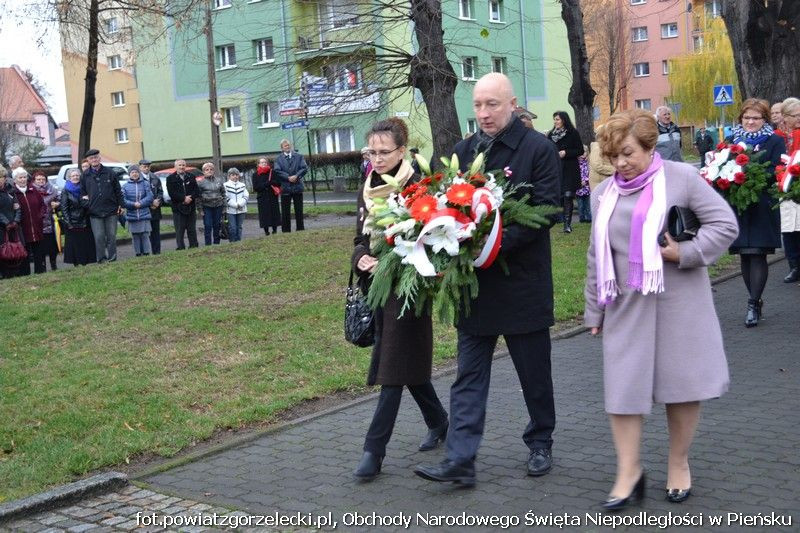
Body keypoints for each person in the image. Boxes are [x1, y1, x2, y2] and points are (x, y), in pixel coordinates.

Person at [585, 109, 738, 510]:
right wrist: (593, 311)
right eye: (613, 155)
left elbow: (724, 225)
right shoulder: (603, 194)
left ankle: (678, 463)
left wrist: (683, 252)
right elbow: (594, 256)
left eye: (628, 153)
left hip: (679, 301)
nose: (620, 163)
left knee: (682, 387)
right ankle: (628, 472)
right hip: (624, 305)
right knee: (622, 390)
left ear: (650, 146)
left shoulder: (681, 178)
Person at [414, 73, 560, 486]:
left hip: (522, 284)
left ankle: (540, 442)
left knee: (534, 374)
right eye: (478, 105)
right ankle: (460, 459)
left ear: (512, 103)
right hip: (474, 289)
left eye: (492, 105)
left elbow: (548, 210)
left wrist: (494, 245)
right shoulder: (464, 150)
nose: (483, 113)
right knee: (468, 377)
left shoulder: (538, 149)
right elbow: (447, 205)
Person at [352, 117, 448, 481]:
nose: (375, 159)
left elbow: (431, 238)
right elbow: (359, 237)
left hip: (409, 288)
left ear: (402, 151)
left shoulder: (417, 186)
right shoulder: (368, 186)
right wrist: (361, 256)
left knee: (391, 368)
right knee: (404, 362)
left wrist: (391, 257)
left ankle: (373, 451)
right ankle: (439, 421)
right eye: (370, 152)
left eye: (383, 152)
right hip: (377, 287)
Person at [726, 98, 785, 327]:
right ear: (741, 118)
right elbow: (721, 164)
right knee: (744, 253)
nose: (751, 122)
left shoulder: (774, 140)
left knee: (758, 252)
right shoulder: (731, 139)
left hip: (761, 202)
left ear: (764, 119)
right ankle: (754, 301)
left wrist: (751, 172)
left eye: (756, 118)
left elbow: (777, 168)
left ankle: (753, 302)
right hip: (738, 204)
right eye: (747, 117)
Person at [80, 148, 124, 263]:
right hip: (94, 212)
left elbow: (118, 190)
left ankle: (112, 258)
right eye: (91, 158)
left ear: (99, 158)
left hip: (111, 210)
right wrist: (88, 204)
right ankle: (102, 259)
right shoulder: (85, 175)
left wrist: (121, 205)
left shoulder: (110, 172)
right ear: (88, 161)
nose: (94, 160)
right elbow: (82, 194)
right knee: (99, 237)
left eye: (95, 157)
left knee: (111, 237)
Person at [548, 111, 584, 233]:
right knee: (561, 196)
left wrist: (566, 152)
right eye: (554, 119)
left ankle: (567, 225)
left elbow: (580, 150)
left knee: (568, 196)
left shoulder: (573, 133)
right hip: (556, 169)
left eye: (557, 119)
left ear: (564, 120)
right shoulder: (550, 135)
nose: (555, 122)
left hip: (570, 168)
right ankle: (560, 219)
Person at [779, 97, 800, 283]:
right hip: (783, 187)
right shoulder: (778, 135)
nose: (799, 119)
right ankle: (794, 265)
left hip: (798, 185)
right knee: (788, 227)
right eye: (796, 116)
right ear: (785, 117)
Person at [12, 167, 47, 275]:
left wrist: (40, 216)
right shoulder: (13, 193)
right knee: (25, 251)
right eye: (20, 178)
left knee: (38, 250)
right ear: (15, 180)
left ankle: (40, 272)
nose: (23, 180)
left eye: (24, 177)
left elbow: (43, 205)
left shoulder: (33, 190)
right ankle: (25, 274)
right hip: (22, 228)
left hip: (36, 226)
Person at [59, 168, 96, 266]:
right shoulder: (65, 190)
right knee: (75, 244)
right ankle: (76, 262)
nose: (75, 177)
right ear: (69, 178)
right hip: (72, 221)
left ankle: (86, 261)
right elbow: (64, 207)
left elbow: (89, 203)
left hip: (85, 219)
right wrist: (68, 222)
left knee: (85, 242)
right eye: (73, 176)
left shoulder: (84, 188)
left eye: (77, 175)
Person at [273, 139, 307, 232]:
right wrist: (288, 177)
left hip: (297, 187)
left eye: (288, 145)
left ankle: (300, 229)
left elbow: (304, 168)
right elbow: (277, 171)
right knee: (285, 211)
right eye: (285, 146)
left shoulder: (299, 156)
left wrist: (296, 176)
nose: (287, 147)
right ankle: (286, 230)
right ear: (282, 148)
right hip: (285, 188)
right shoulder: (278, 159)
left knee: (299, 210)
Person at [166, 159, 200, 250]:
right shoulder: (170, 178)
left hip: (191, 207)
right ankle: (180, 247)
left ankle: (193, 245)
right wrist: (183, 198)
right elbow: (171, 193)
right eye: (179, 165)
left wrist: (190, 198)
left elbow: (197, 191)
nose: (182, 167)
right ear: (175, 167)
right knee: (180, 230)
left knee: (191, 229)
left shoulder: (191, 176)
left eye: (183, 165)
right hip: (178, 208)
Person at [122, 165, 154, 256]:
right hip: (132, 214)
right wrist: (133, 204)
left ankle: (147, 252)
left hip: (144, 213)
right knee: (135, 235)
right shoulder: (125, 186)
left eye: (136, 172)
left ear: (139, 173)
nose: (134, 174)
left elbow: (150, 197)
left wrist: (141, 203)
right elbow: (123, 200)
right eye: (132, 172)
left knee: (145, 234)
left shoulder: (145, 183)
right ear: (129, 174)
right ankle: (138, 253)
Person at [32, 170, 60, 271]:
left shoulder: (52, 190)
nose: (41, 181)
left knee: (53, 246)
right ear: (34, 180)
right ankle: (42, 266)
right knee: (41, 248)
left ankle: (54, 265)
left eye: (43, 179)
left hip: (51, 222)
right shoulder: (31, 191)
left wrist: (57, 204)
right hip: (38, 223)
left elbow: (59, 199)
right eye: (38, 179)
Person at [0, 165, 22, 278]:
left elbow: (17, 206)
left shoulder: (10, 189)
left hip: (13, 225)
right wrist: (6, 222)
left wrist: (16, 221)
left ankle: (13, 274)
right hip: (2, 227)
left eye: (1, 177)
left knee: (13, 250)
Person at [197, 162, 226, 245]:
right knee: (208, 226)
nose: (209, 171)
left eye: (211, 169)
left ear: (213, 171)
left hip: (218, 206)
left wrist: (224, 207)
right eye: (207, 170)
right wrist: (200, 209)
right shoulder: (200, 183)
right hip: (207, 207)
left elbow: (223, 194)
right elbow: (198, 198)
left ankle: (216, 243)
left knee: (217, 225)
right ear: (203, 172)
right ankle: (208, 245)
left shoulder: (219, 181)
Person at [138, 160, 163, 255]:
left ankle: (157, 252)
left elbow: (160, 192)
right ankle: (145, 252)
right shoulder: (137, 178)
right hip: (144, 210)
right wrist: (150, 203)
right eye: (144, 166)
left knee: (155, 232)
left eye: (148, 166)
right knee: (144, 233)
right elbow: (138, 195)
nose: (146, 168)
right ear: (140, 167)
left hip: (155, 209)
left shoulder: (155, 177)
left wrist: (158, 201)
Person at [252, 157, 281, 235]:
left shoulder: (272, 172)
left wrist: (271, 182)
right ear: (258, 164)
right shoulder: (255, 174)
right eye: (262, 162)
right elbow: (256, 187)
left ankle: (275, 230)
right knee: (264, 215)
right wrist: (266, 184)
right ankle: (266, 231)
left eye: (265, 162)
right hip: (262, 198)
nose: (264, 163)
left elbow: (278, 183)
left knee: (274, 213)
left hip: (272, 197)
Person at [224, 167, 249, 242]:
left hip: (241, 209)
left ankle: (238, 241)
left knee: (239, 227)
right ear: (229, 176)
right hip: (230, 210)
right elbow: (225, 197)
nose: (235, 176)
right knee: (232, 227)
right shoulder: (225, 185)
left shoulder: (242, 185)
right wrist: (235, 205)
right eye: (233, 175)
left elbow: (246, 195)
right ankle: (232, 242)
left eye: (236, 175)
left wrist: (240, 204)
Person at [589, 125, 615, 191]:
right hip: (599, 183)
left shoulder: (606, 146)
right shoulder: (597, 147)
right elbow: (597, 166)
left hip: (605, 181)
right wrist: (614, 170)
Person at [576, 145, 591, 223]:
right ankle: (582, 218)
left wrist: (587, 181)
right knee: (581, 204)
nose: (582, 154)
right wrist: (579, 182)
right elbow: (574, 175)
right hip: (579, 188)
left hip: (587, 187)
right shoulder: (576, 164)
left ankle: (588, 218)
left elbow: (591, 174)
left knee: (588, 204)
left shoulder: (589, 163)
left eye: (584, 152)